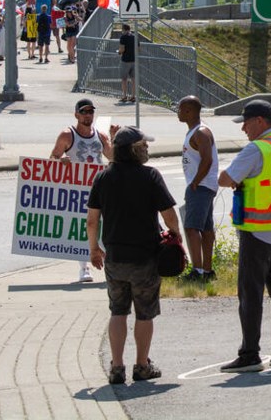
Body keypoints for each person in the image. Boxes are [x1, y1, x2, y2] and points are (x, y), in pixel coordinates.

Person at [86, 125, 180, 385]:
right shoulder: (150, 176)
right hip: (145, 258)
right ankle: (142, 365)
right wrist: (176, 234)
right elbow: (168, 213)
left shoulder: (103, 178)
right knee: (144, 313)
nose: (148, 148)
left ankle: (116, 367)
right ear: (135, 149)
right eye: (144, 145)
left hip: (115, 257)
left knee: (117, 311)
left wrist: (94, 248)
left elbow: (92, 220)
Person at [217, 99, 271, 372]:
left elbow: (225, 178)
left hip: (258, 230)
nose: (244, 130)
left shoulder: (257, 149)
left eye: (246, 123)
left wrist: (233, 177)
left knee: (250, 294)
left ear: (260, 121)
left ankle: (250, 354)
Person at [51, 98, 119, 283]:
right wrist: (62, 159)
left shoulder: (100, 136)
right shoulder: (67, 135)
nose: (88, 115)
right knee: (82, 227)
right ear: (76, 115)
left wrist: (114, 138)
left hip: (99, 188)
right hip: (76, 188)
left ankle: (111, 268)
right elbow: (53, 157)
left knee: (105, 226)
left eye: (90, 112)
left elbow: (112, 157)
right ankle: (84, 268)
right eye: (84, 112)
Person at [177, 95, 219, 282]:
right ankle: (208, 270)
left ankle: (198, 271)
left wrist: (195, 182)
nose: (178, 112)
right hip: (203, 185)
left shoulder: (201, 132)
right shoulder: (194, 131)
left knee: (192, 227)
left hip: (201, 186)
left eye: (180, 109)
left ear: (190, 111)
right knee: (206, 228)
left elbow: (207, 159)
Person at [119, 23, 136, 102]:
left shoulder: (123, 37)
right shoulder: (134, 37)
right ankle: (133, 96)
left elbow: (122, 49)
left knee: (124, 79)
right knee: (133, 79)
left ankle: (124, 96)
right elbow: (139, 49)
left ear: (124, 29)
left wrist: (119, 52)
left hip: (125, 60)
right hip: (134, 60)